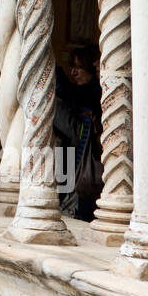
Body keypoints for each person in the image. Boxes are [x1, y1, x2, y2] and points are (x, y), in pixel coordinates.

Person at [53, 45, 103, 221]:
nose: (73, 73)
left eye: (78, 68)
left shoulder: (94, 91)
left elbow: (66, 92)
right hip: (69, 164)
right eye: (71, 68)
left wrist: (55, 71)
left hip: (85, 167)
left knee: (52, 105)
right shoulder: (78, 93)